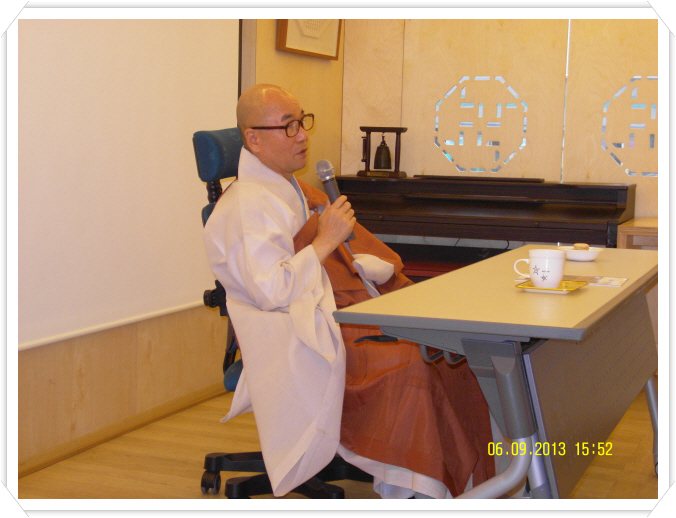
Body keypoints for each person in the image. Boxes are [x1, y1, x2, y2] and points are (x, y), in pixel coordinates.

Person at [203, 84, 494, 499]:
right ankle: (414, 488)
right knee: (409, 362)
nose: (303, 135)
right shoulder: (247, 206)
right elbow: (272, 291)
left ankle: (470, 483)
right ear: (253, 138)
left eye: (302, 121)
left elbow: (347, 251)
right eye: (288, 126)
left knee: (444, 349)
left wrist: (368, 266)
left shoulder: (291, 187)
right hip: (295, 336)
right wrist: (325, 241)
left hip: (325, 316)